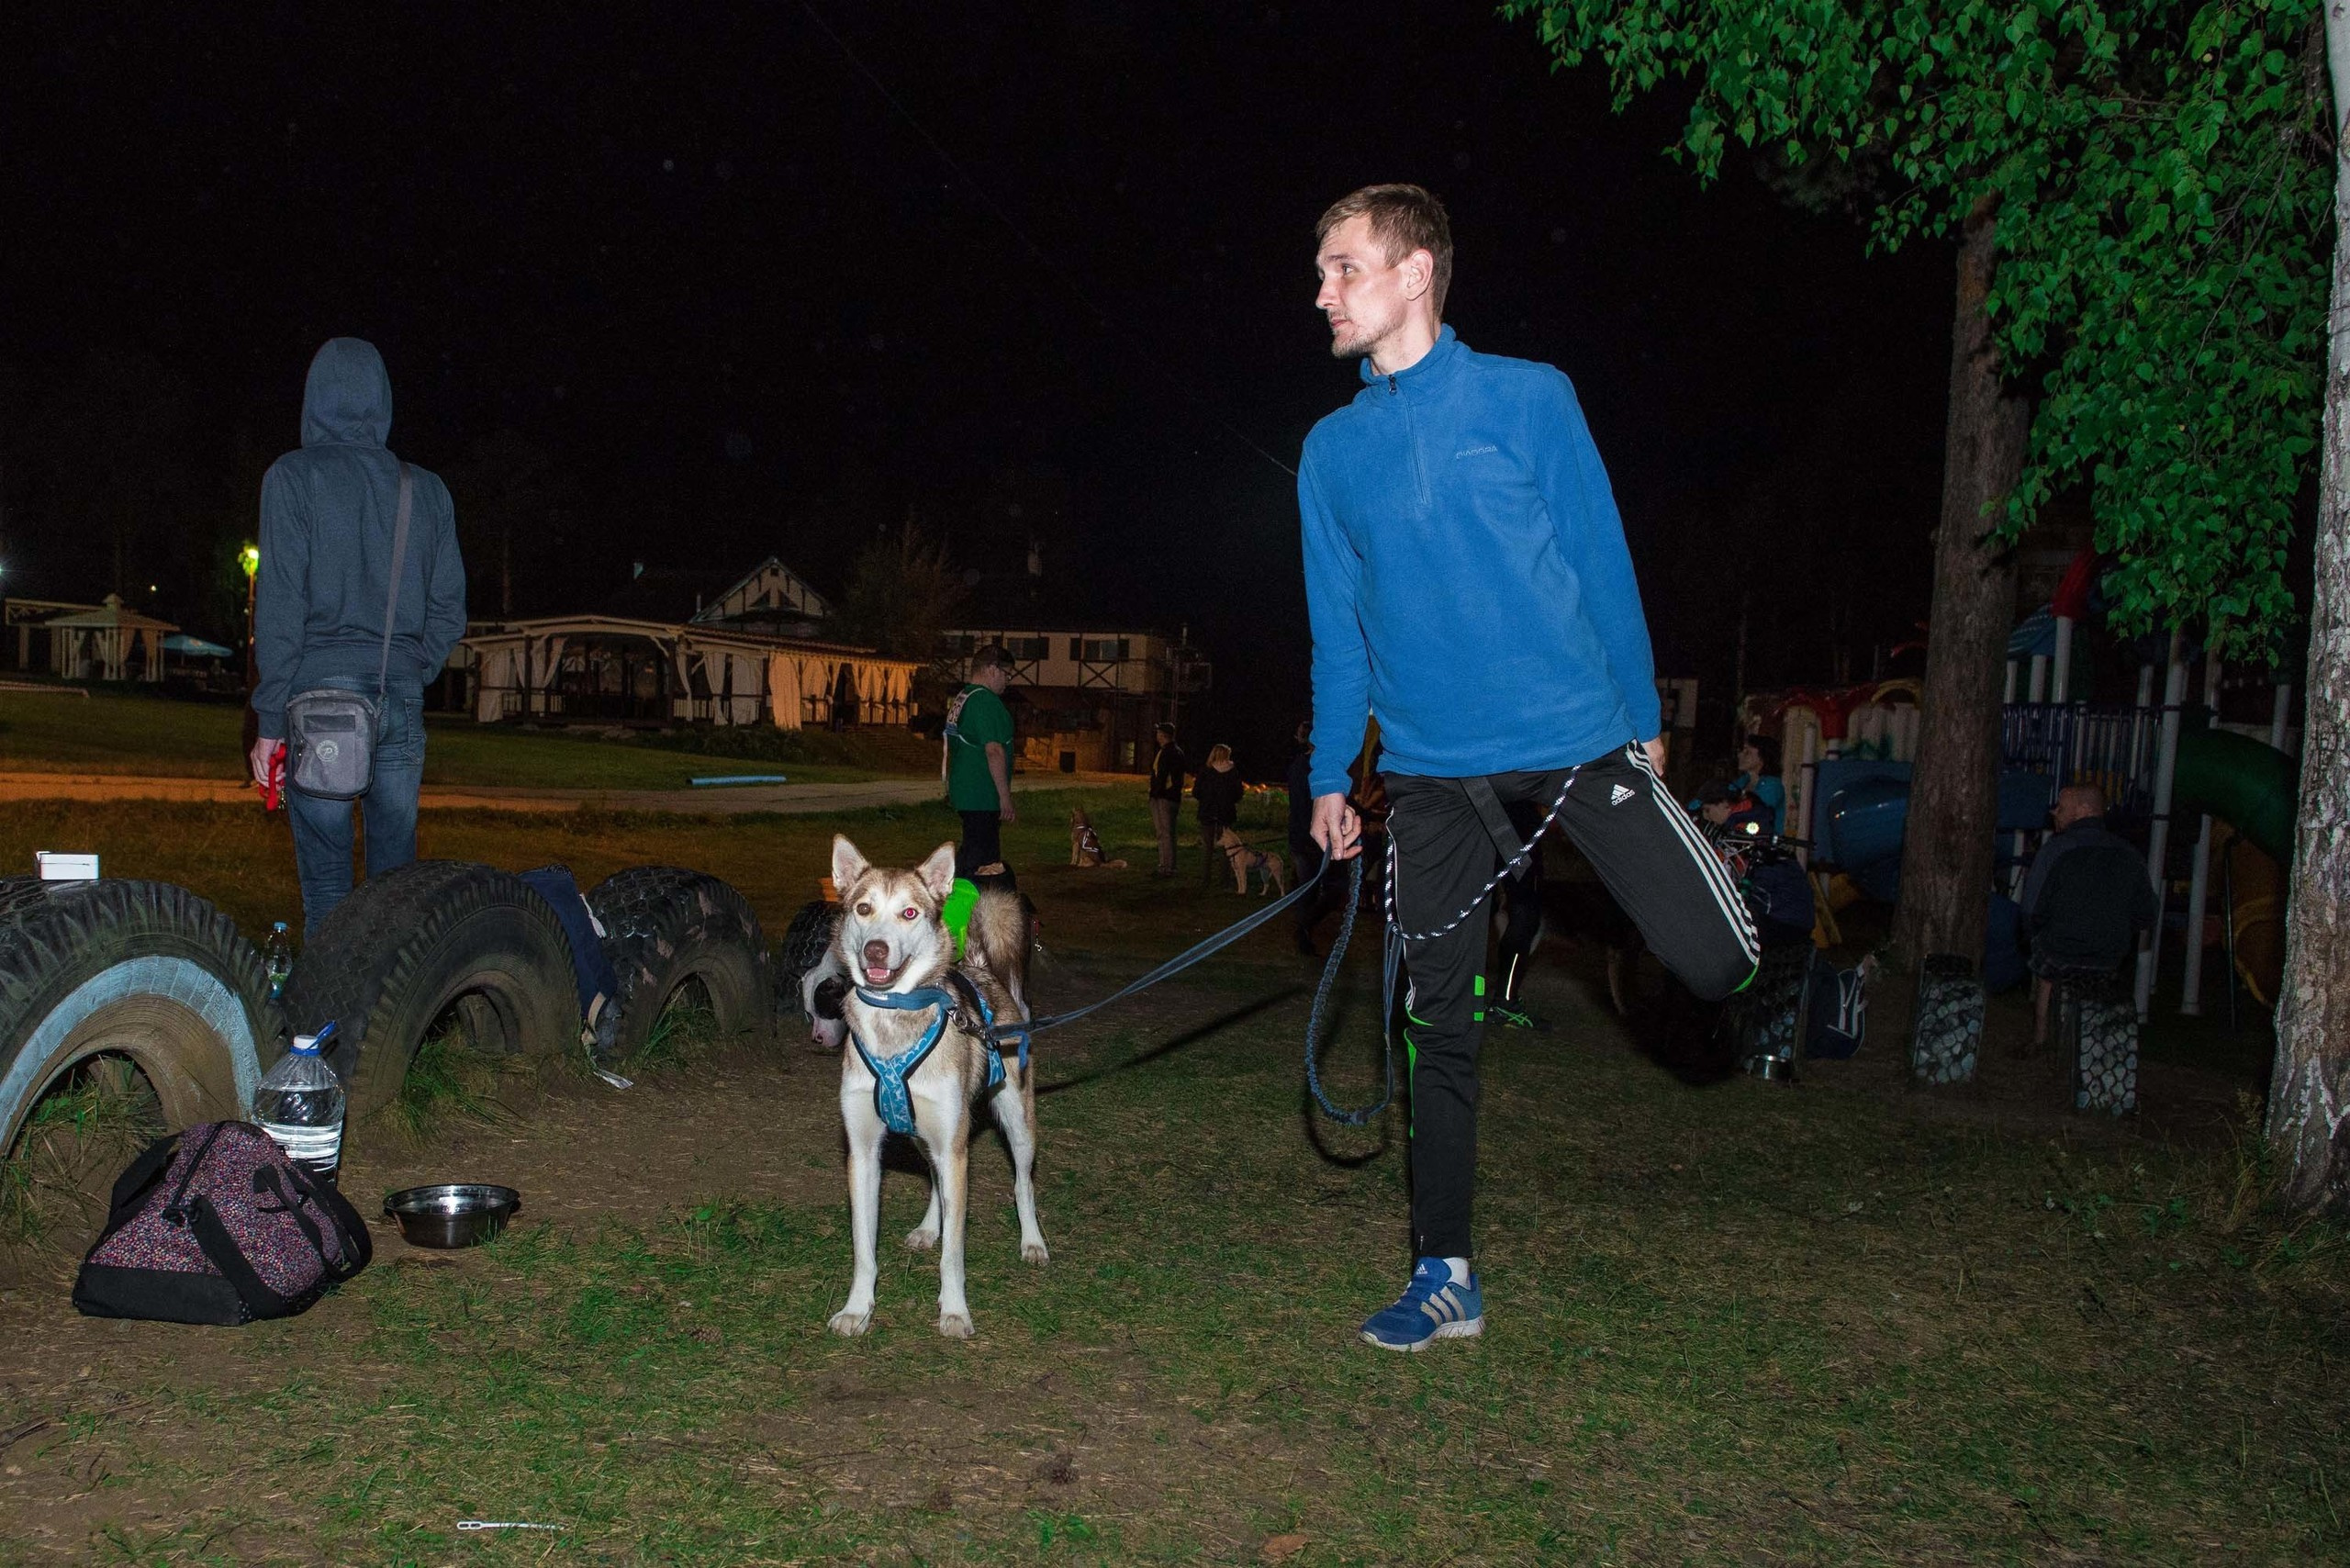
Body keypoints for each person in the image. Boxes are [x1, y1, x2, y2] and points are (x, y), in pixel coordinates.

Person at [1299, 184, 1759, 1350]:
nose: (1322, 294)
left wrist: (1643, 715)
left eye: (1343, 268)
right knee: (1433, 1023)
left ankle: (1757, 935)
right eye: (1321, 273)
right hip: (1429, 777)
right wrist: (1324, 774)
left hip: (1572, 737)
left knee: (1711, 962)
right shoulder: (1329, 453)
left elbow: (1603, 558)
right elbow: (1335, 624)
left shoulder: (1528, 399)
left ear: (1415, 274)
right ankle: (1443, 1271)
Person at [248, 338, 465, 935]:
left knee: (327, 890)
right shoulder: (427, 490)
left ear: (314, 398)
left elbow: (281, 607)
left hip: (320, 709)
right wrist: (408, 673)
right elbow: (449, 610)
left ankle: (331, 1021)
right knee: (395, 890)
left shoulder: (292, 478)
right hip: (399, 700)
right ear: (382, 399)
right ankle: (391, 1020)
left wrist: (269, 723)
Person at [2020, 784, 2157, 1049]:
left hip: (2060, 950)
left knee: (2045, 963)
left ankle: (2040, 1037)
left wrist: (2032, 935)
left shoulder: (2056, 850)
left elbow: (2030, 910)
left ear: (2083, 810)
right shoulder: (2129, 854)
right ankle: (2096, 1041)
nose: (2054, 812)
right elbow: (2147, 912)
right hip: (2110, 954)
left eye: (2061, 807)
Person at [943, 644, 1018, 883]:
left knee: (972, 854)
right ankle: (966, 913)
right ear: (992, 669)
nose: (1008, 681)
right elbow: (994, 750)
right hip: (982, 794)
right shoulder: (985, 701)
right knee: (983, 865)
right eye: (1007, 674)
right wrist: (1004, 796)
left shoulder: (964, 697)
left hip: (966, 791)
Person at [1286, 719, 1325, 956]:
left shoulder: (1302, 766)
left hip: (1304, 835)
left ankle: (1304, 929)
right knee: (1311, 887)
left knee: (1311, 886)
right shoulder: (1307, 767)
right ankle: (1303, 931)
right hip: (1309, 836)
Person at [1192, 743, 1244, 888]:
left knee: (1207, 847)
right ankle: (1224, 879)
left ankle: (1206, 878)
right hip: (1225, 813)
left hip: (1207, 812)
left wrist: (1206, 798)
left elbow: (1196, 792)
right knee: (1226, 847)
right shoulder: (1233, 772)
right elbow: (1238, 793)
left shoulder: (1206, 771)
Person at [1147, 722, 1188, 878]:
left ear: (1163, 735)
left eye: (1158, 733)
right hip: (1165, 796)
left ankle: (1167, 867)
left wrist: (1157, 793)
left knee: (1165, 833)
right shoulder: (1171, 751)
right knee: (1165, 832)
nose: (1156, 735)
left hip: (1164, 798)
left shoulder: (1170, 752)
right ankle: (1165, 865)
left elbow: (1165, 777)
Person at [1731, 734, 1786, 834]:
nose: (1740, 755)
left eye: (1747, 752)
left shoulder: (1773, 785)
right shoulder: (1742, 781)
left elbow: (1755, 810)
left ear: (1763, 757)